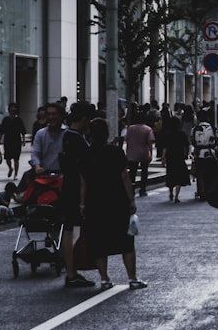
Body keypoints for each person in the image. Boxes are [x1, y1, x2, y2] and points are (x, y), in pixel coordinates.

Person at [79, 118, 147, 290]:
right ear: (106, 133)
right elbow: (124, 177)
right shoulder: (115, 151)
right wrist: (131, 199)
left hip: (94, 202)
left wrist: (82, 204)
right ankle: (132, 278)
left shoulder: (85, 154)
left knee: (98, 242)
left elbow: (83, 182)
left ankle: (105, 279)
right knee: (126, 241)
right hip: (117, 200)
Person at [60, 101, 97, 288]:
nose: (89, 123)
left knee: (68, 230)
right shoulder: (78, 140)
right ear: (83, 119)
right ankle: (73, 271)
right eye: (89, 119)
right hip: (76, 189)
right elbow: (83, 173)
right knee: (73, 231)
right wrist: (84, 200)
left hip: (67, 186)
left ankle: (70, 271)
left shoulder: (67, 136)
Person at [160, 116, 191, 202]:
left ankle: (171, 192)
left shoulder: (167, 134)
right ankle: (176, 196)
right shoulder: (182, 134)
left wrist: (163, 158)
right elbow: (186, 145)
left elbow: (165, 148)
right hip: (179, 157)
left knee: (171, 175)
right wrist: (187, 154)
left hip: (170, 157)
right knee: (178, 177)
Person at [30, 102, 66, 175]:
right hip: (44, 173)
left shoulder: (68, 134)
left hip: (64, 175)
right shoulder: (40, 134)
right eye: (48, 114)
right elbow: (35, 153)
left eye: (54, 114)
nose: (51, 117)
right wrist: (37, 166)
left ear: (61, 116)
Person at [124, 112, 154, 197]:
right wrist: (150, 153)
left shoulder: (130, 128)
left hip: (132, 153)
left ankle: (131, 189)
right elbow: (150, 142)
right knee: (144, 172)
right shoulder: (148, 129)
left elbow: (127, 140)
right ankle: (143, 189)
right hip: (143, 153)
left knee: (132, 172)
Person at [0, 102, 27, 180]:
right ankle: (10, 168)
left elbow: (23, 130)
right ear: (9, 109)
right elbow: (2, 131)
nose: (13, 109)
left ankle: (16, 174)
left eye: (15, 107)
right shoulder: (6, 119)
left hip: (16, 140)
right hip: (7, 140)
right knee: (7, 158)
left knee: (16, 158)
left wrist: (23, 140)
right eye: (12, 107)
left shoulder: (19, 119)